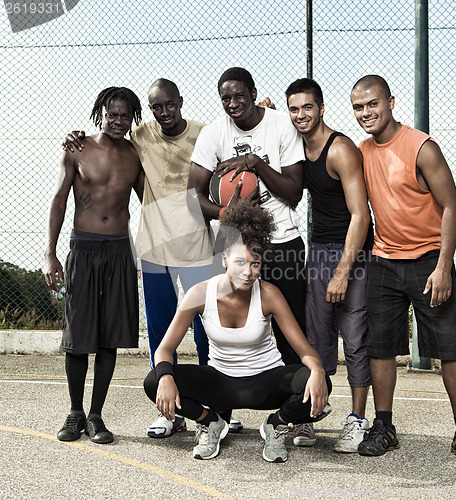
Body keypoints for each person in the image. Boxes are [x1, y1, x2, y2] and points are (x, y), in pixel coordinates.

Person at [62, 79, 214, 439]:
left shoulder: (204, 133)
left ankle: (213, 405)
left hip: (197, 244)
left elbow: (238, 134)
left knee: (207, 326)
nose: (164, 112)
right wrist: (73, 137)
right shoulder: (136, 136)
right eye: (156, 107)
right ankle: (168, 412)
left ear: (180, 102)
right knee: (160, 331)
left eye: (168, 105)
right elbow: (95, 152)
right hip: (152, 247)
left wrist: (264, 115)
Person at [350, 75, 456, 464]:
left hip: (430, 260)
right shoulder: (361, 150)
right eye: (358, 107)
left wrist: (444, 266)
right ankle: (384, 427)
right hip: (384, 261)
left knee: (451, 348)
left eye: (372, 104)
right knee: (380, 348)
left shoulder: (421, 147)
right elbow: (319, 147)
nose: (366, 113)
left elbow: (453, 207)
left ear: (390, 102)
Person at [143, 202, 332, 462]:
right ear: (224, 259)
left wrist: (318, 371)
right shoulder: (200, 293)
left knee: (317, 381)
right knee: (154, 381)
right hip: (219, 383)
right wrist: (166, 377)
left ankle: (275, 425)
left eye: (255, 264)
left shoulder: (269, 294)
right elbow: (165, 348)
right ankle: (210, 422)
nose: (248, 272)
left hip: (265, 381)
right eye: (240, 262)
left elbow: (304, 350)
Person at [188, 67, 309, 433]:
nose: (233, 103)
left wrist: (256, 164)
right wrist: (229, 211)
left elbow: (293, 192)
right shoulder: (213, 133)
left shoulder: (280, 126)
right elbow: (193, 198)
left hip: (282, 240)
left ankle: (298, 417)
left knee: (292, 332)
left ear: (254, 93)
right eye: (226, 98)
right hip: (231, 243)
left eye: (239, 95)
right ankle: (220, 415)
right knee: (221, 327)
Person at [44, 87, 144, 444]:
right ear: (100, 111)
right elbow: (58, 200)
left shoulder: (135, 154)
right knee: (77, 337)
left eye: (124, 115)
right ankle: (74, 412)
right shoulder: (77, 148)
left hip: (118, 250)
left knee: (109, 337)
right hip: (83, 248)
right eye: (111, 113)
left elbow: (152, 198)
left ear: (133, 117)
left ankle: (96, 416)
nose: (117, 121)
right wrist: (50, 253)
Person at [285, 78, 373, 451]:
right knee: (316, 338)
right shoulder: (296, 146)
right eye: (294, 109)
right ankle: (308, 419)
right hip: (319, 250)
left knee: (354, 338)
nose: (301, 115)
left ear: (321, 108)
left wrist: (341, 272)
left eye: (307, 107)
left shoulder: (341, 150)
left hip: (352, 252)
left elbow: (360, 215)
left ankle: (356, 421)